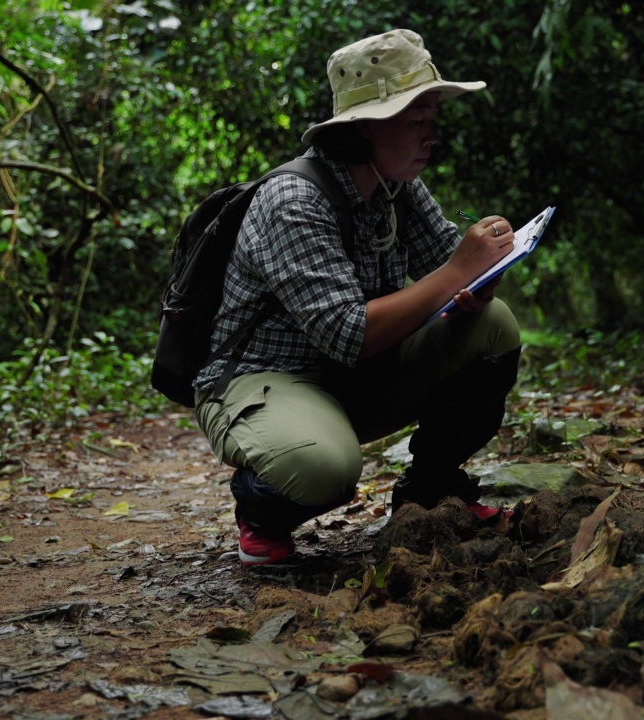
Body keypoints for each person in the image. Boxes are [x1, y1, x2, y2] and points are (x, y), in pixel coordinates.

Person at [192, 29, 523, 566]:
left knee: (495, 327)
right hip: (270, 378)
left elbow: (453, 271)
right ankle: (260, 508)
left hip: (353, 377)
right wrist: (457, 270)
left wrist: (485, 271)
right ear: (366, 127)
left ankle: (430, 494)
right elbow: (347, 333)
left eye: (431, 119)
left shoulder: (396, 186)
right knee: (324, 470)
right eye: (417, 121)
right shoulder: (293, 200)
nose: (430, 135)